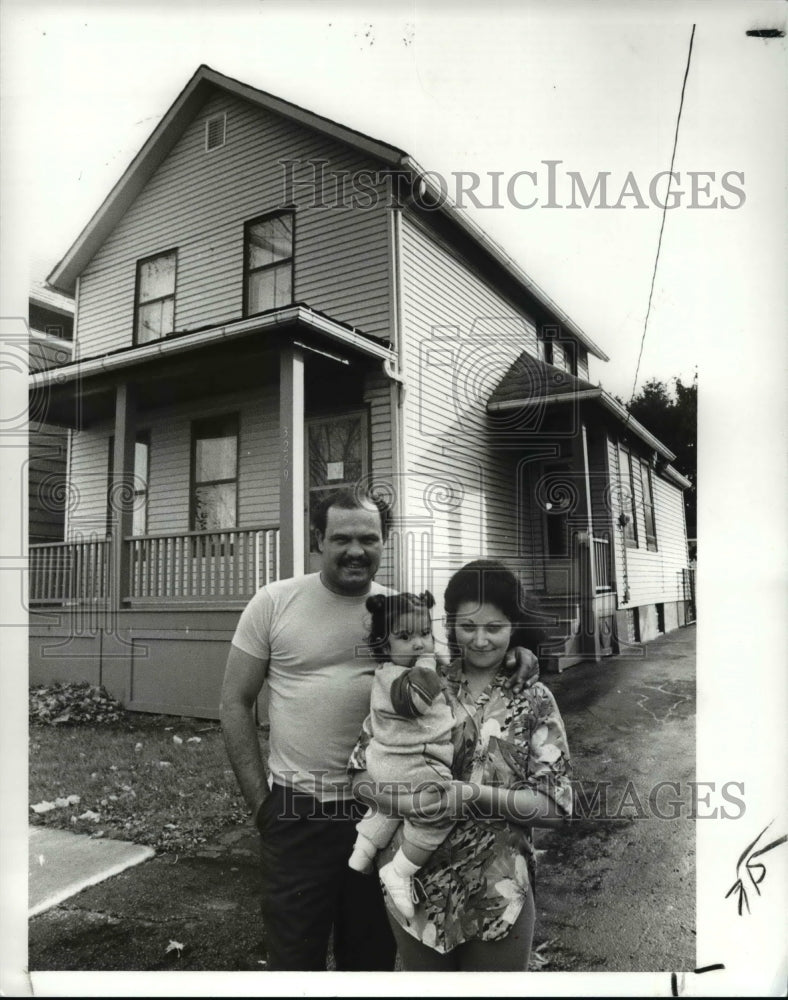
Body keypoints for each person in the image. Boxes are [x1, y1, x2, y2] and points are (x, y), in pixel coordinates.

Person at [349, 559, 573, 972]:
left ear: (514, 626)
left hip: (499, 892)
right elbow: (361, 774)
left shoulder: (533, 697)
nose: (482, 640)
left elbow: (554, 808)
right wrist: (407, 803)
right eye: (468, 627)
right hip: (414, 886)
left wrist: (474, 797)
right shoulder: (419, 684)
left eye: (495, 628)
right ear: (449, 625)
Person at [348, 590, 456, 921]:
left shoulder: (388, 673)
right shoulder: (399, 677)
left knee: (391, 808)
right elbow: (416, 703)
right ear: (384, 646)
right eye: (405, 637)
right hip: (414, 764)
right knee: (441, 807)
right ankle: (401, 871)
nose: (419, 644)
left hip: (389, 766)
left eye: (425, 633)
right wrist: (428, 665)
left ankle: (363, 849)